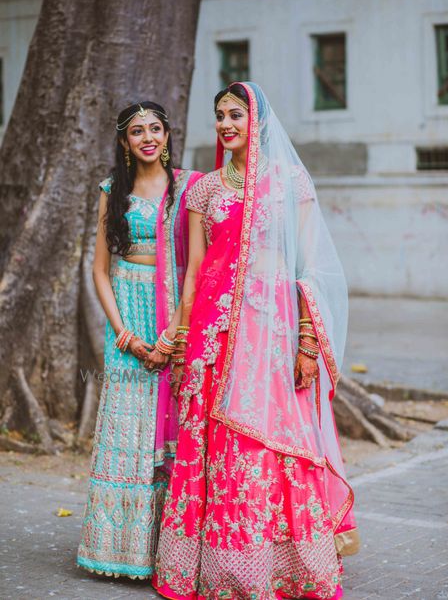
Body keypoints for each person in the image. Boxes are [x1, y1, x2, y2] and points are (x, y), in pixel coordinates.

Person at [153, 83, 359, 600]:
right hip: (214, 335)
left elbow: (309, 268)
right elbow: (194, 272)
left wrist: (308, 342)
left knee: (273, 438)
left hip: (273, 332)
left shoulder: (289, 182)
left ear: (258, 121)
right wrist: (182, 340)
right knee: (217, 444)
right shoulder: (204, 190)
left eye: (236, 114)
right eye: (219, 115)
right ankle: (227, 569)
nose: (226, 124)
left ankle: (285, 565)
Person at [77, 101, 201, 579]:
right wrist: (124, 335)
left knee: (171, 429)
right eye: (136, 132)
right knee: (129, 429)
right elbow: (99, 270)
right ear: (125, 143)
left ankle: (170, 554)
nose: (147, 137)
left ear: (168, 134)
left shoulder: (189, 187)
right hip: (127, 313)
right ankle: (123, 551)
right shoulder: (113, 191)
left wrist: (173, 335)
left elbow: (197, 264)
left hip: (173, 314)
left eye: (155, 128)